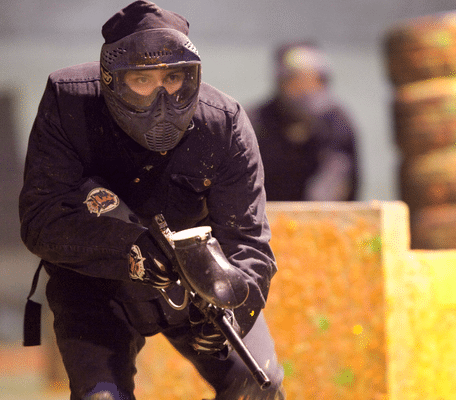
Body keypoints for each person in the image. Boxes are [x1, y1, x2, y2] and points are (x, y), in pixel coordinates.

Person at [19, 1, 285, 399]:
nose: (162, 98)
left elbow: (248, 241)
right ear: (112, 80)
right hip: (96, 286)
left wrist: (232, 306)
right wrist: (128, 250)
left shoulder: (223, 122)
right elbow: (41, 218)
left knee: (258, 385)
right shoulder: (68, 101)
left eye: (174, 78)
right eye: (143, 80)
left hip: (200, 287)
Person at [249, 41, 359, 201]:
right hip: (263, 216)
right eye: (296, 81)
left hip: (326, 218)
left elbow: (340, 179)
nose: (305, 90)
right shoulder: (255, 121)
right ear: (281, 82)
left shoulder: (336, 121)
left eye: (313, 80)